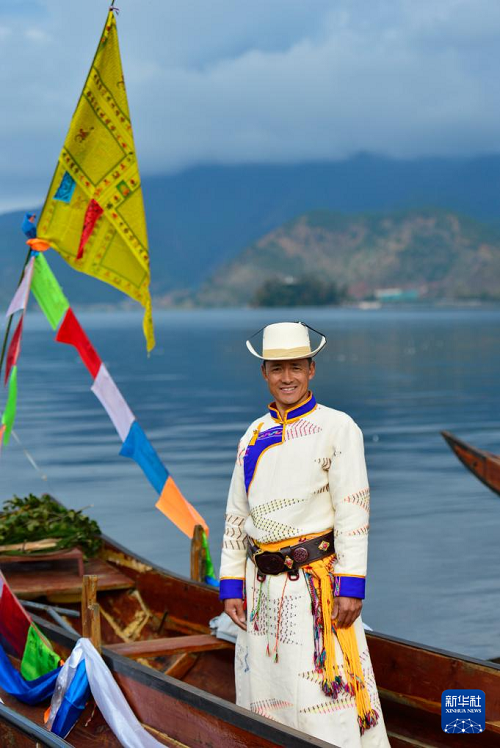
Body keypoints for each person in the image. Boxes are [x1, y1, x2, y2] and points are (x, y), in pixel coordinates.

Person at [219, 321, 391, 747]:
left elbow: (353, 512)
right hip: (259, 588)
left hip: (315, 589)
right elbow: (236, 515)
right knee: (264, 693)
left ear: (311, 369)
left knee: (322, 700)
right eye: (277, 368)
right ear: (264, 373)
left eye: (296, 366)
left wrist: (351, 585)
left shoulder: (338, 428)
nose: (287, 377)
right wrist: (231, 584)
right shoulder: (252, 435)